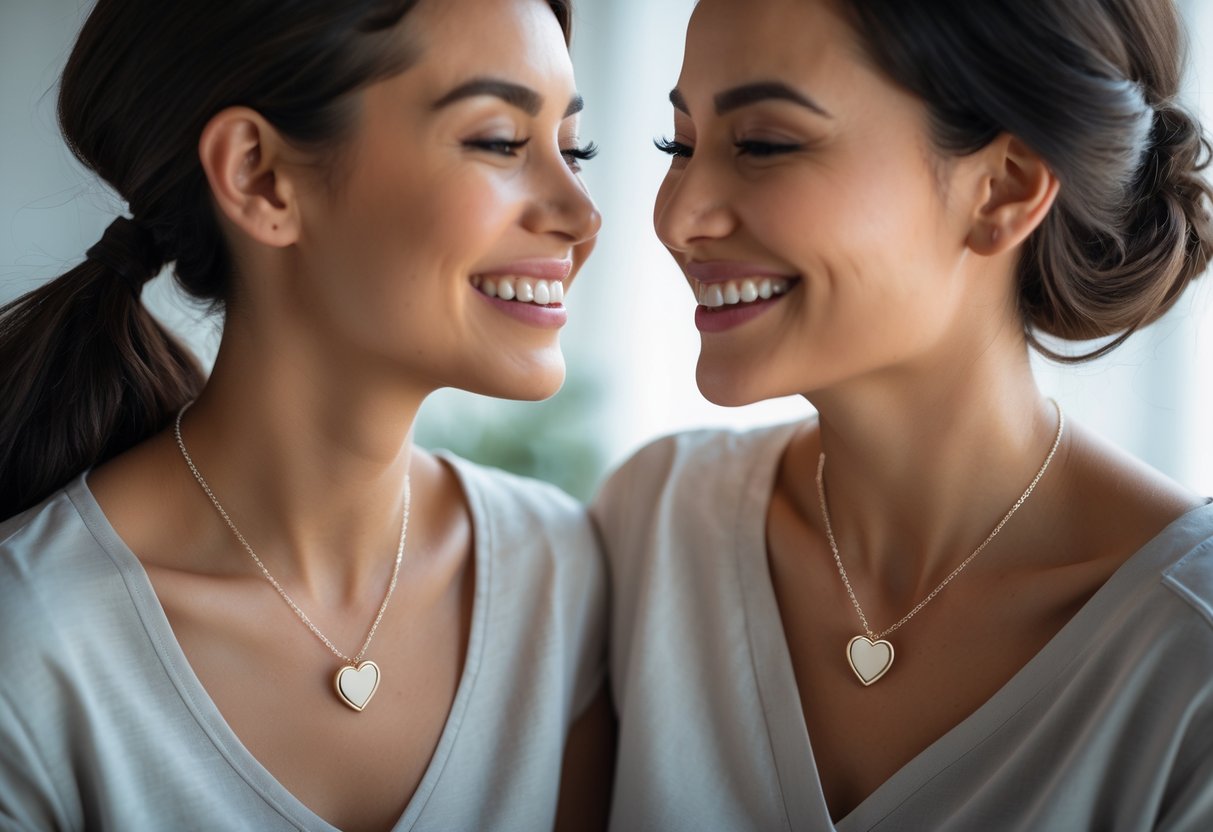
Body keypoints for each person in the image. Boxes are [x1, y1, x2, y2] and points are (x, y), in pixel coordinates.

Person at [594, 0, 1213, 829]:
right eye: (680, 144)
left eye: (764, 146)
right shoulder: (655, 523)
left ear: (1002, 188)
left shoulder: (1188, 658)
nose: (677, 219)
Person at [0, 0, 612, 830]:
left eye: (574, 150)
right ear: (261, 177)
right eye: (500, 142)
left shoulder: (559, 577)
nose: (579, 218)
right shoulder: (33, 649)